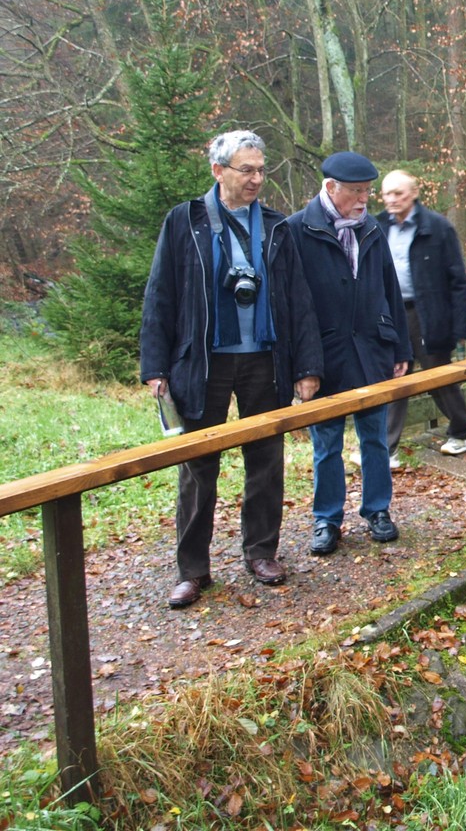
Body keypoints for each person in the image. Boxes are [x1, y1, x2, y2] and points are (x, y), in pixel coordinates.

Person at [141, 130, 323, 609]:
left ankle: (261, 552)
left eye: (262, 170)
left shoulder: (277, 226)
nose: (256, 179)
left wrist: (307, 366)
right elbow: (161, 294)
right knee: (199, 468)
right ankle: (192, 570)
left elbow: (297, 301)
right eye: (247, 170)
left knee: (266, 459)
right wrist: (155, 366)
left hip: (265, 358)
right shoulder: (185, 221)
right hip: (204, 361)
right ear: (218, 171)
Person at [287, 152, 412, 556]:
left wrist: (399, 347)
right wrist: (302, 365)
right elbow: (290, 304)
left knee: (374, 437)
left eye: (366, 192)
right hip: (323, 357)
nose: (363, 200)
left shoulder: (371, 228)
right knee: (326, 444)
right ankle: (326, 519)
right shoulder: (296, 230)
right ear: (330, 187)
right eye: (355, 192)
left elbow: (389, 290)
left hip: (371, 351)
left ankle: (378, 510)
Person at [375, 169, 466, 461]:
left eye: (398, 193)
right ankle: (386, 448)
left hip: (429, 314)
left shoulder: (437, 227)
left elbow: (458, 280)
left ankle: (462, 432)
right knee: (395, 376)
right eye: (386, 194)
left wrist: (460, 328)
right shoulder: (378, 226)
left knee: (438, 377)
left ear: (414, 193)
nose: (391, 200)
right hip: (393, 313)